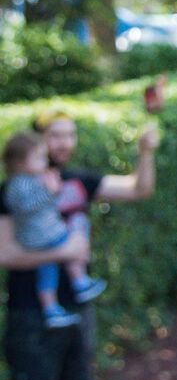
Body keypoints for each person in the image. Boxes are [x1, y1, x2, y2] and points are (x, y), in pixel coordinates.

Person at [0, 110, 158, 380]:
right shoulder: (13, 190)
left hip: (78, 307)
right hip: (31, 314)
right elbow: (5, 253)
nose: (64, 143)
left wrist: (145, 151)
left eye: (70, 134)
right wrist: (65, 251)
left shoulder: (79, 180)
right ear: (38, 141)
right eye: (55, 135)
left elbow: (138, 189)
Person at [1, 132, 105, 329]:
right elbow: (26, 207)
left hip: (39, 236)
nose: (45, 161)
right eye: (39, 157)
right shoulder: (18, 184)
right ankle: (80, 281)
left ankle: (51, 309)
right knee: (77, 231)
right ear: (21, 163)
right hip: (42, 235)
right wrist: (50, 191)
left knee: (47, 272)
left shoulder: (30, 179)